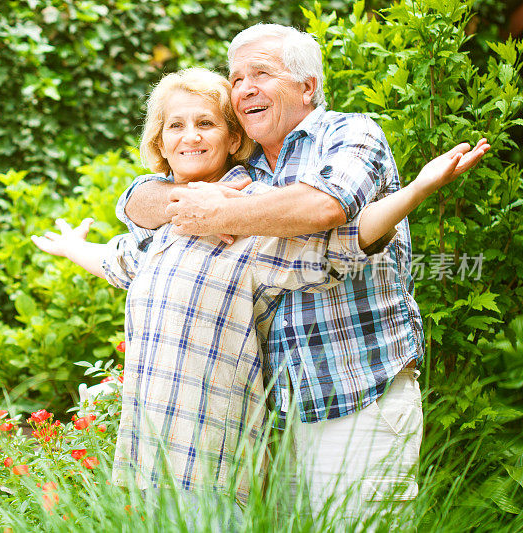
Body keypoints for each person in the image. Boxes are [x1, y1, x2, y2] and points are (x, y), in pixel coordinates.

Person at [32, 67, 489, 519]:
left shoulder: (254, 216)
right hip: (146, 459)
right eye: (177, 126)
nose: (190, 136)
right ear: (161, 144)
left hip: (212, 465)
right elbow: (121, 262)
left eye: (205, 124)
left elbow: (342, 242)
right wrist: (72, 246)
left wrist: (419, 188)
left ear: (233, 140)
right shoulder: (167, 228)